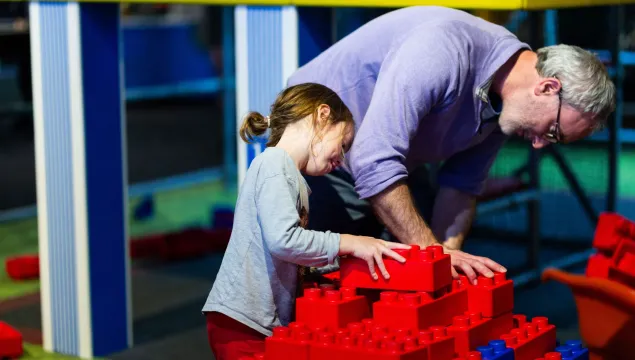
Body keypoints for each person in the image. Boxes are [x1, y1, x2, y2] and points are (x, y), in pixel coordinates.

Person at [286, 6, 616, 283]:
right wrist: (436, 257)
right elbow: (373, 161)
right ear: (546, 87)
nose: (541, 144)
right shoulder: (443, 50)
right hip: (318, 150)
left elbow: (461, 186)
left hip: (390, 158)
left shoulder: (506, 104)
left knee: (408, 263)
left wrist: (448, 265)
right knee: (320, 289)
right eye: (554, 130)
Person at [201, 83, 412, 360]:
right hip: (243, 323)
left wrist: (346, 259)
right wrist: (349, 242)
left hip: (255, 323)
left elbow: (289, 251)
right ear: (322, 115)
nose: (342, 158)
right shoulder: (274, 165)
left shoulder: (289, 175)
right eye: (343, 144)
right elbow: (283, 240)